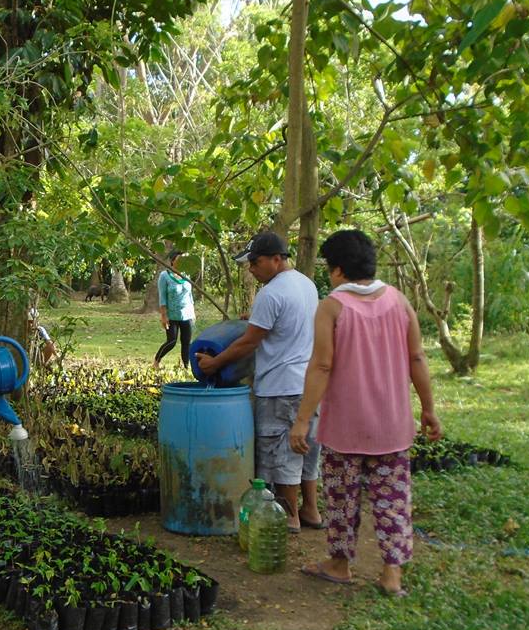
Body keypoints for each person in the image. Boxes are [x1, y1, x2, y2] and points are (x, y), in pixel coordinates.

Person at [290, 230, 441, 597]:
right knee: (392, 499)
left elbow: (322, 366)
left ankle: (339, 565)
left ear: (338, 269)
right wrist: (429, 408)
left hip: (345, 427)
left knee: (342, 498)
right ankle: (392, 575)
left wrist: (302, 419)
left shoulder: (332, 307)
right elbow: (417, 357)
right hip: (392, 426)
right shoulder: (399, 301)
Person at [195, 231, 322, 532]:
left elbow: (247, 343)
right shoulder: (306, 284)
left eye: (255, 261)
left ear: (277, 259)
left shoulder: (272, 293)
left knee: (281, 451)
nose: (251, 268)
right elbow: (287, 325)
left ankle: (288, 517)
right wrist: (254, 318)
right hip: (307, 384)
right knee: (306, 448)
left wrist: (215, 362)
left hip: (280, 386)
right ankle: (311, 511)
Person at [153, 250, 196, 369]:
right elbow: (162, 297)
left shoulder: (186, 275)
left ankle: (186, 367)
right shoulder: (165, 276)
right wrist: (163, 315)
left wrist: (193, 313)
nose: (183, 262)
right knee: (171, 342)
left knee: (186, 343)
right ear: (172, 261)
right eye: (179, 259)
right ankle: (156, 361)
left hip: (187, 314)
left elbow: (190, 295)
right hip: (172, 315)